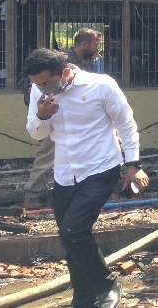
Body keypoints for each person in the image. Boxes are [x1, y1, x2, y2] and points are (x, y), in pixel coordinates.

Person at [25, 48, 148, 308]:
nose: (43, 88)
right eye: (37, 84)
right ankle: (83, 297)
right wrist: (42, 115)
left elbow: (126, 124)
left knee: (73, 231)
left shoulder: (101, 85)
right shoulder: (39, 90)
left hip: (100, 167)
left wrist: (133, 165)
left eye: (47, 82)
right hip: (64, 172)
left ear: (66, 71)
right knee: (70, 239)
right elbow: (36, 133)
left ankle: (107, 283)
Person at [24, 28, 104, 210]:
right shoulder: (59, 62)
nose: (97, 47)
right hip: (56, 115)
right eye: (95, 43)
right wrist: (44, 114)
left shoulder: (89, 61)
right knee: (48, 153)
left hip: (81, 118)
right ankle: (33, 194)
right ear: (84, 43)